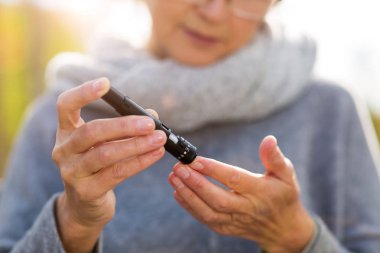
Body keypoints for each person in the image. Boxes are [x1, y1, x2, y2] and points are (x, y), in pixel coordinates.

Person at [0, 0, 379, 252]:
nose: (213, 11)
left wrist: (298, 237)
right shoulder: (64, 122)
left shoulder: (330, 111)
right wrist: (73, 223)